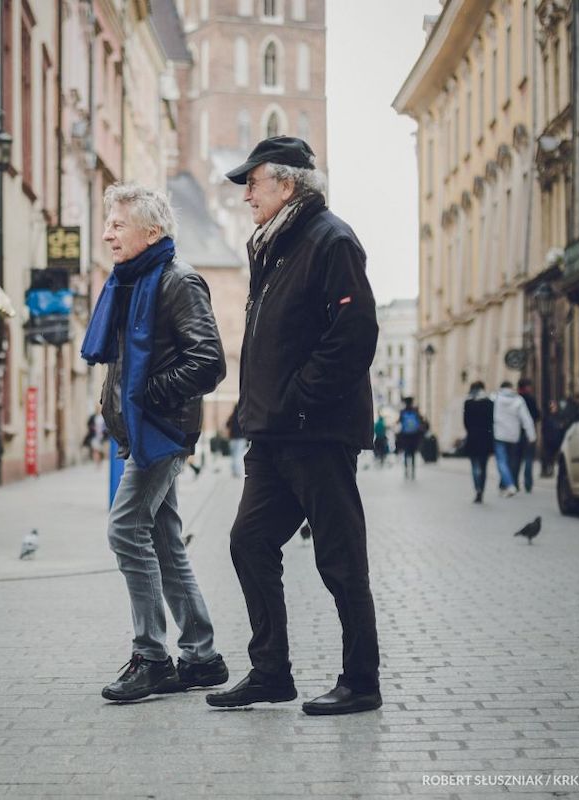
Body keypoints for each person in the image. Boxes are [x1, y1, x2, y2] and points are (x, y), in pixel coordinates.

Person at [207, 136, 382, 715]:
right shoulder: (273, 247)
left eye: (252, 183)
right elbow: (270, 342)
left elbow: (354, 335)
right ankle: (270, 672)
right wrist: (249, 409)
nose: (246, 196)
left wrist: (302, 399)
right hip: (274, 434)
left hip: (316, 432)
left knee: (338, 558)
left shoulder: (330, 239)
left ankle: (360, 682)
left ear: (286, 185)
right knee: (249, 542)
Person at [80, 181, 228, 702]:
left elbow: (209, 361)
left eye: (117, 225)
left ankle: (151, 656)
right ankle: (202, 656)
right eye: (108, 223)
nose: (106, 234)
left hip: (161, 431)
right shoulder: (129, 281)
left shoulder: (176, 281)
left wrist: (149, 396)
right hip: (140, 432)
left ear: (153, 230)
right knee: (162, 539)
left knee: (125, 530)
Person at [492, 380, 536, 497]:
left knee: (502, 462)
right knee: (511, 462)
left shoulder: (496, 398)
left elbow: (490, 416)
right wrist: (531, 435)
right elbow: (526, 419)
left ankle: (510, 484)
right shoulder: (518, 400)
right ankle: (508, 484)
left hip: (499, 435)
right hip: (513, 435)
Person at [462, 381, 495, 503]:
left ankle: (477, 489)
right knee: (483, 466)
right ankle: (482, 489)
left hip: (473, 438)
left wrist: (471, 430)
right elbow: (492, 421)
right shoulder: (489, 403)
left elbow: (465, 422)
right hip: (486, 438)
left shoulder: (468, 403)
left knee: (475, 465)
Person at [511, 377, 541, 492]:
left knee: (516, 459)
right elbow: (537, 415)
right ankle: (528, 484)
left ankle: (514, 482)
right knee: (528, 459)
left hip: (515, 432)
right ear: (526, 387)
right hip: (528, 432)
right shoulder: (529, 399)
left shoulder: (515, 399)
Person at [395, 397, 424, 480]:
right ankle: (413, 472)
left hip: (405, 436)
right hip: (414, 436)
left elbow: (398, 422)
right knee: (413, 454)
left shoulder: (403, 412)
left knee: (406, 454)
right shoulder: (415, 411)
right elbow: (421, 421)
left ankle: (406, 471)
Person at [227, 399, 247, 477]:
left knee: (234, 455)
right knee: (238, 455)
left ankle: (234, 470)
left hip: (232, 438)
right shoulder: (242, 418)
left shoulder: (232, 417)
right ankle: (237, 471)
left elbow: (227, 425)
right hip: (240, 438)